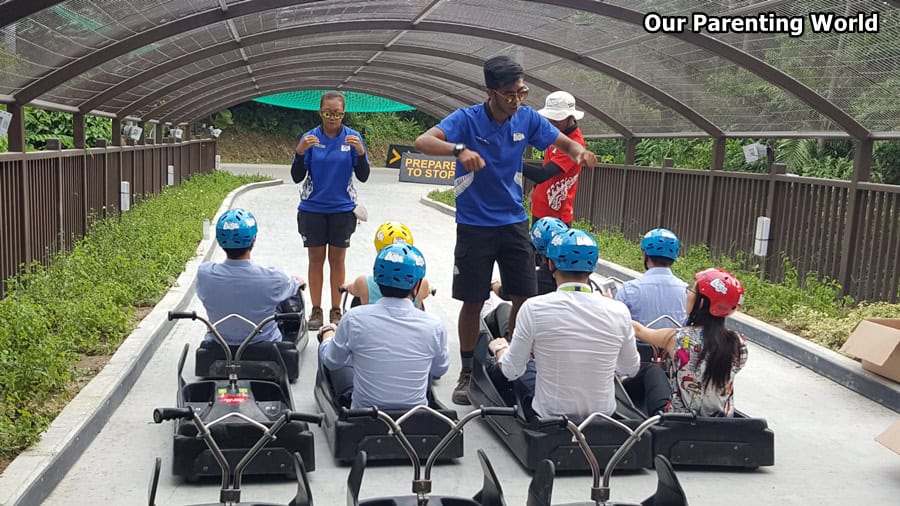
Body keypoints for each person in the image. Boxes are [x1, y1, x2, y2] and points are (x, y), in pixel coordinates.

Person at [414, 55, 598, 405]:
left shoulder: (527, 119)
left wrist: (578, 151)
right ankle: (467, 371)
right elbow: (424, 141)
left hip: (514, 222)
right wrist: (458, 149)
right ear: (491, 92)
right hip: (474, 224)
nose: (517, 100)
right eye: (510, 94)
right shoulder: (467, 119)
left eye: (522, 92)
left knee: (523, 297)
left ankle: (512, 363)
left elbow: (563, 142)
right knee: (472, 299)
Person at [485, 229, 640, 420]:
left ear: (550, 263)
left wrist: (501, 349)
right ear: (592, 267)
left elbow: (511, 370)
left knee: (508, 365)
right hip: (603, 416)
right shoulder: (619, 311)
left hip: (550, 416)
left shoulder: (533, 308)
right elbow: (630, 368)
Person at [318, 243, 450, 410]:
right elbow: (439, 369)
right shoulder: (434, 325)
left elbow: (332, 361)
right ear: (416, 285)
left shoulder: (354, 318)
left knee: (329, 350)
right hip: (415, 416)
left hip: (365, 415)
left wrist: (328, 335)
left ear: (377, 280)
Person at [291, 90, 370, 331]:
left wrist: (361, 153)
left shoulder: (352, 138)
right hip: (313, 208)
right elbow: (296, 177)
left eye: (337, 113)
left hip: (342, 210)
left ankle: (336, 309)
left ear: (344, 113)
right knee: (315, 259)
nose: (332, 117)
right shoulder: (310, 139)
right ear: (320, 112)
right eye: (327, 112)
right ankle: (316, 309)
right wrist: (299, 152)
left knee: (337, 260)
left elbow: (363, 176)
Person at [632, 268, 748, 417]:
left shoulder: (678, 338)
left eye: (691, 291)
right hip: (721, 425)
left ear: (701, 303)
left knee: (652, 370)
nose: (687, 294)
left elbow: (640, 332)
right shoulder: (739, 344)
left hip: (676, 421)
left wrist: (613, 310)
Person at [196, 208, 303, 346]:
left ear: (220, 240)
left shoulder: (204, 274)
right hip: (264, 343)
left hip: (219, 342)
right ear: (254, 239)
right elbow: (291, 287)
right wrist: (297, 282)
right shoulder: (275, 278)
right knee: (289, 294)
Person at [485, 217, 568, 338]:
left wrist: (493, 284)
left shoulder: (533, 281)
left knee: (499, 309)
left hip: (530, 340)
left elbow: (506, 293)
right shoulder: (588, 288)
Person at [616, 228, 688, 361]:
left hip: (637, 358)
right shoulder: (686, 291)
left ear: (645, 254)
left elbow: (616, 327)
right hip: (671, 359)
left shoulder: (630, 289)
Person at [342, 221, 432, 309]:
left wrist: (348, 285)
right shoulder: (422, 283)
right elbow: (427, 290)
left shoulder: (364, 283)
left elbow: (351, 288)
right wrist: (429, 289)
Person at [528, 91, 586, 226]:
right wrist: (535, 189)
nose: (552, 123)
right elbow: (547, 165)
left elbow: (542, 174)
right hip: (541, 207)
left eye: (557, 119)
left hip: (557, 214)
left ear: (570, 117)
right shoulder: (555, 135)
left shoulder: (574, 144)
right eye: (549, 118)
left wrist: (509, 163)